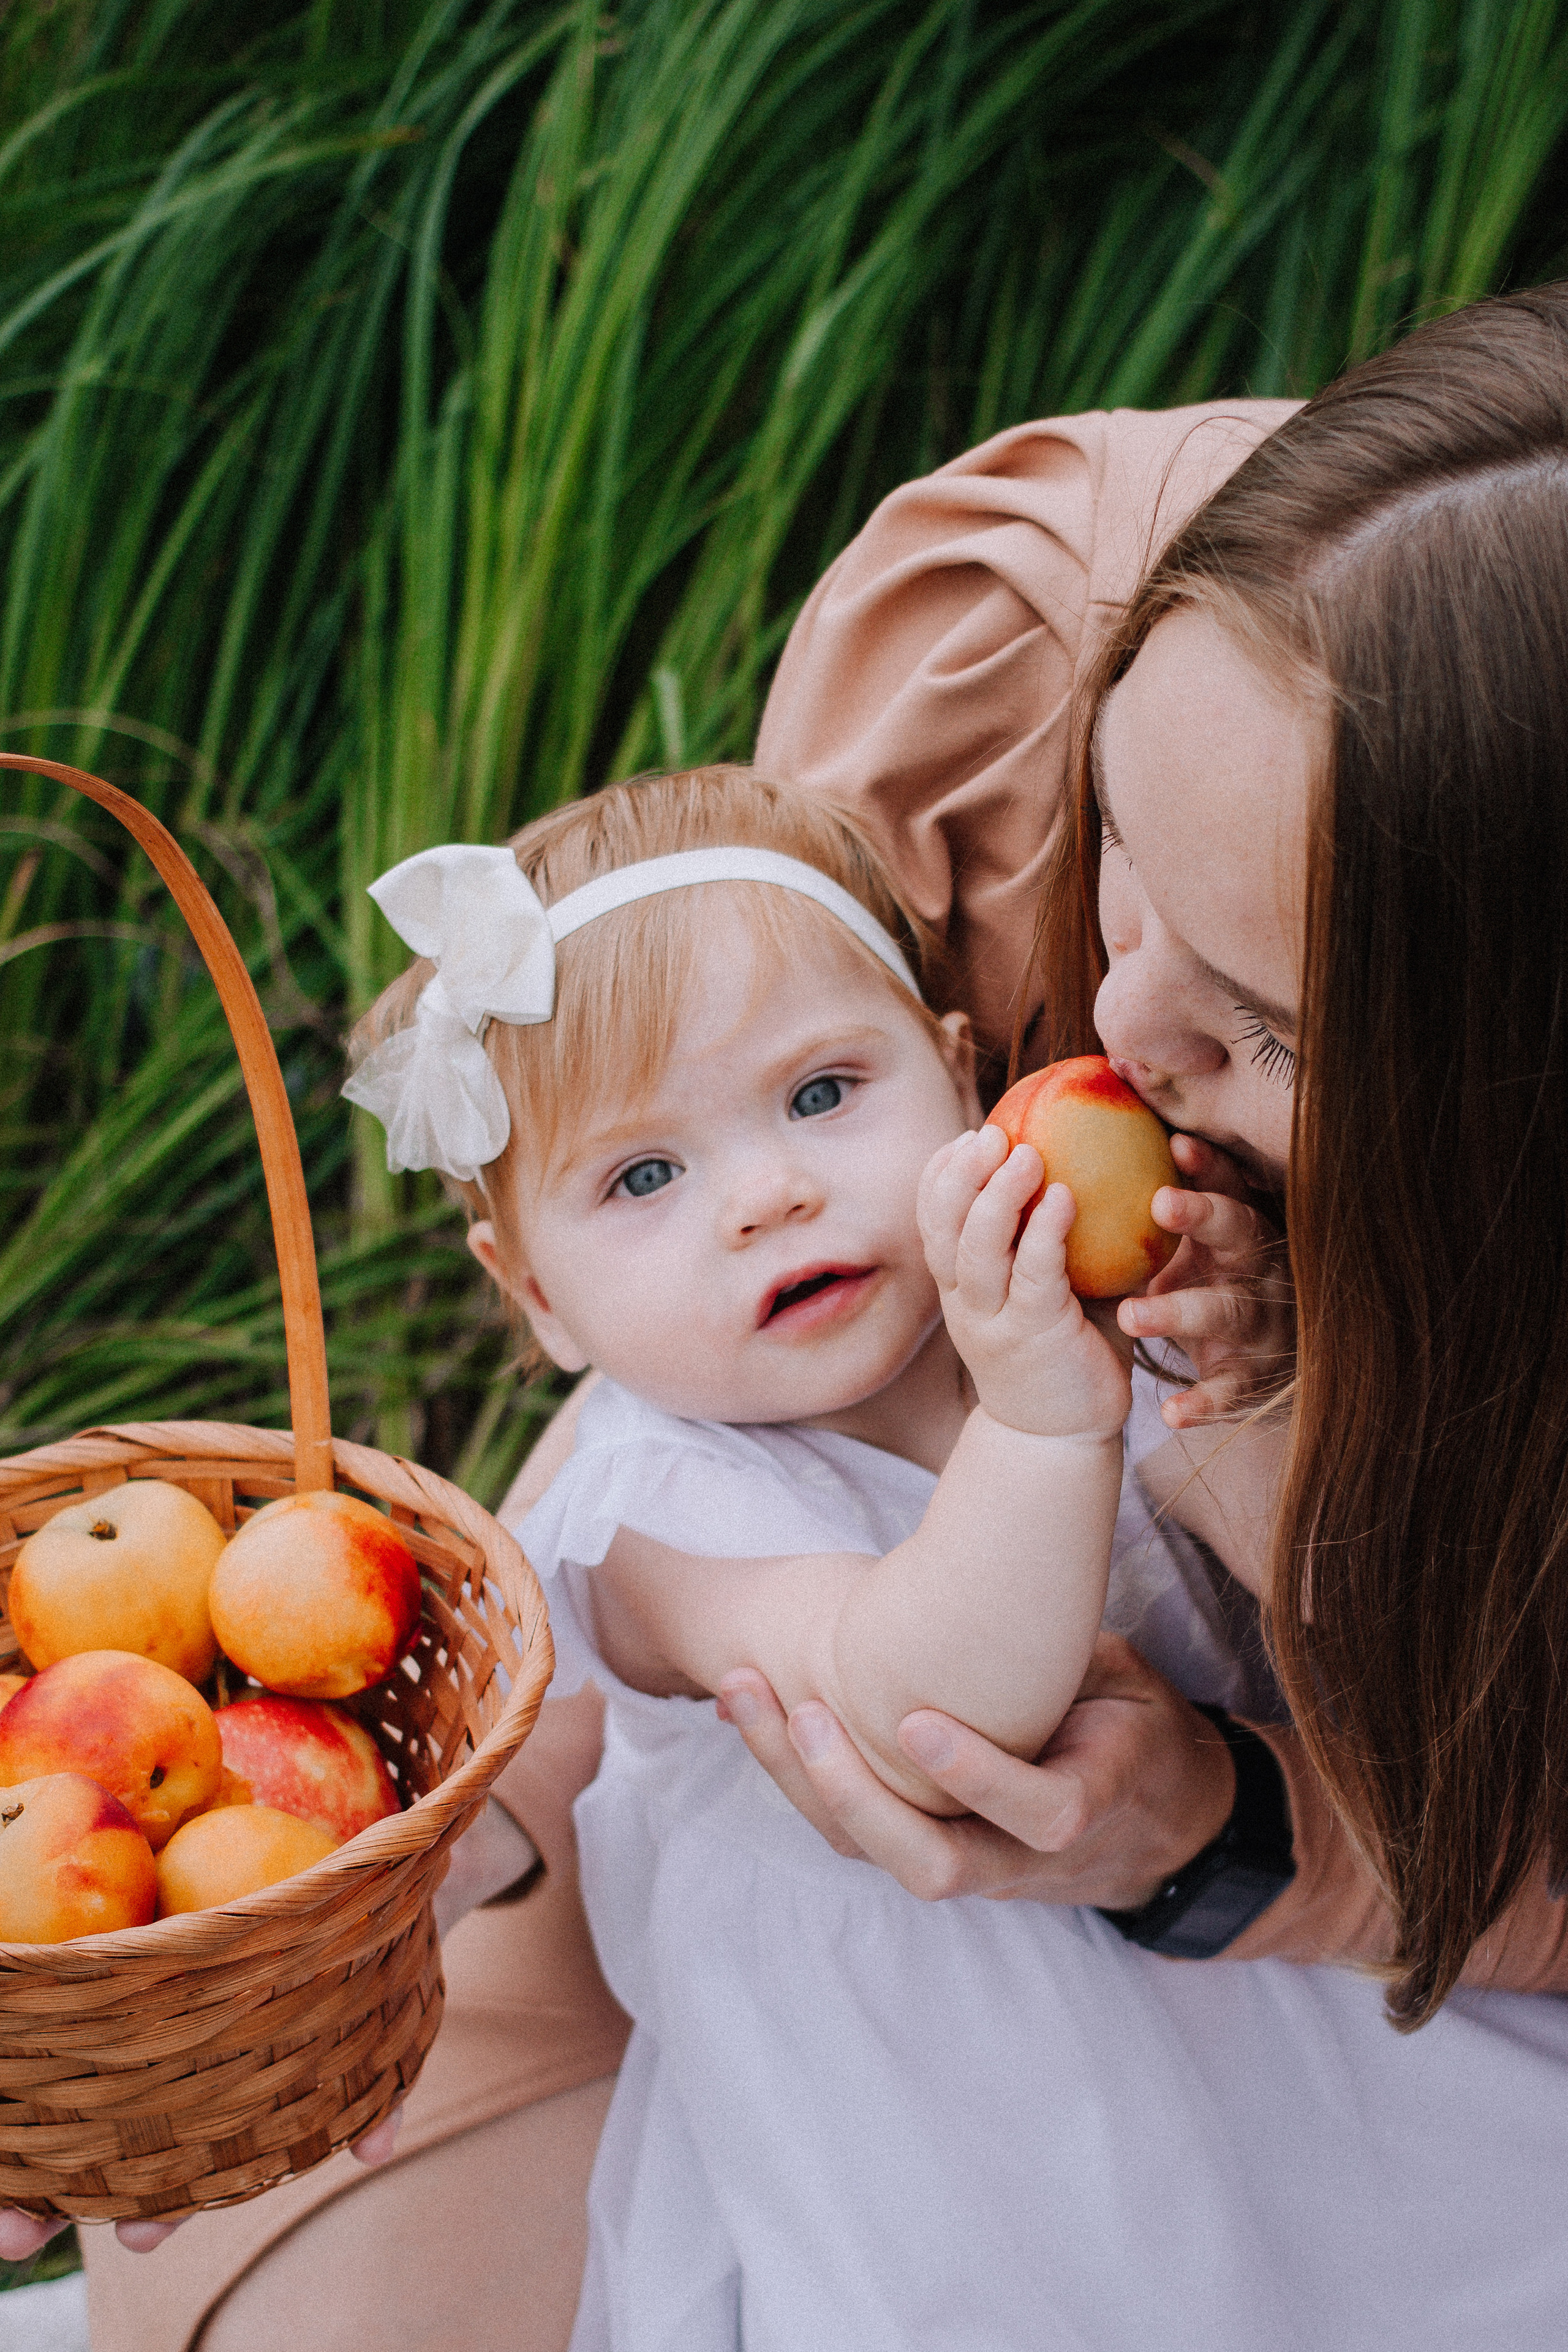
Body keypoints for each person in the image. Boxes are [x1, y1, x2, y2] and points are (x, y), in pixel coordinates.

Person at [80, 289, 1568, 2346]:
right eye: (1126, 866)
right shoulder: (668, 1491)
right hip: (933, 2128)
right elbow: (923, 1700)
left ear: (944, 1054)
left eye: (1268, 1027)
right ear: (530, 1298)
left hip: (1294, 2001)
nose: (1120, 1031)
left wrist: (1233, 1396)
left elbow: (1394, 1686)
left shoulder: (1077, 1312)